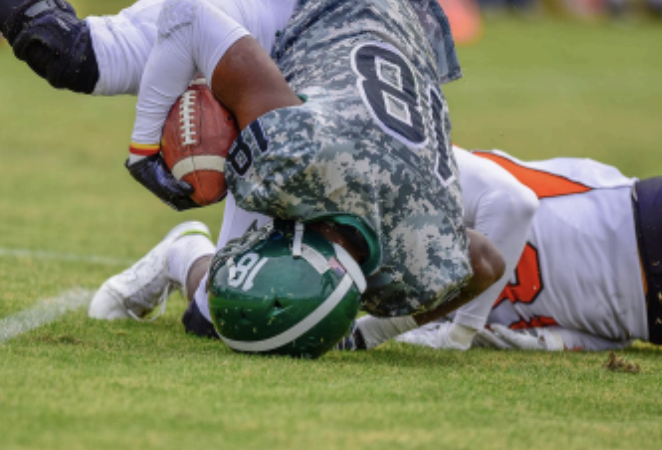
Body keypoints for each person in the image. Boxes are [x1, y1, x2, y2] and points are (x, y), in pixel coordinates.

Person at [2, 0, 505, 351]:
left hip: (386, 36)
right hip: (293, 13)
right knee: (66, 50)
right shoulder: (298, 151)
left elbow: (485, 262)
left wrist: (363, 334)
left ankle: (181, 253)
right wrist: (142, 149)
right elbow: (189, 16)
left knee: (216, 318)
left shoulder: (421, 252)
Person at [396, 147, 662, 352]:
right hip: (637, 317)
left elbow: (514, 204)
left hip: (630, 224)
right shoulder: (405, 307)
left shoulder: (426, 179)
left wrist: (462, 331)